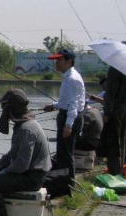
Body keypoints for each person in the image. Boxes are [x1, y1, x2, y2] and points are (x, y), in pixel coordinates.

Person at [0, 89, 51, 216]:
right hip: (27, 174)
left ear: (11, 108)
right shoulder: (22, 126)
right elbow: (11, 156)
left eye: (4, 105)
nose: (1, 109)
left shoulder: (27, 129)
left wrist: (2, 174)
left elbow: (21, 165)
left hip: (32, 177)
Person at [42, 49, 85, 180]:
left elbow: (73, 105)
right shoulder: (69, 77)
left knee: (66, 155)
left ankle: (68, 184)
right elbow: (66, 101)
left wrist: (68, 125)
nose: (57, 63)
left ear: (69, 62)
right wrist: (54, 106)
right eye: (56, 61)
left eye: (60, 60)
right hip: (67, 115)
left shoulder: (71, 79)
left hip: (69, 117)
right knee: (62, 154)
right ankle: (63, 182)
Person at [97, 67, 126, 175]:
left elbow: (111, 92)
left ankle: (114, 172)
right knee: (123, 139)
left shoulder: (114, 69)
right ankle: (121, 168)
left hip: (115, 109)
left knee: (113, 142)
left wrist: (107, 112)